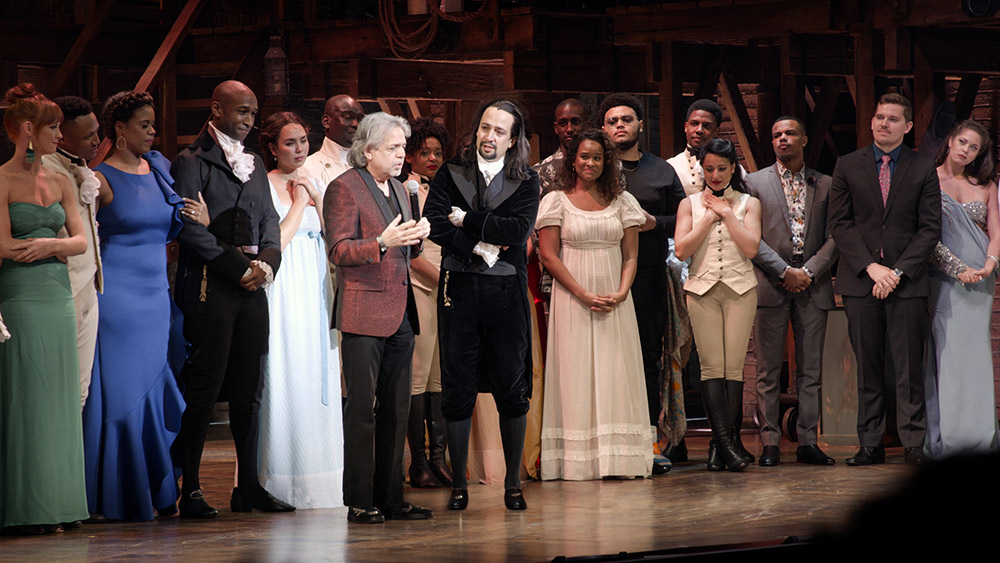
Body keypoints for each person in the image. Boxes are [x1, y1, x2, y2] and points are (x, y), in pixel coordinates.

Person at [170, 80, 293, 517]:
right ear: (216, 107)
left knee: (249, 389)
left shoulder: (255, 163)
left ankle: (249, 489)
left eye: (253, 113)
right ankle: (192, 489)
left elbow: (271, 224)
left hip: (253, 286)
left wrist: (268, 266)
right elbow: (190, 230)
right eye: (242, 111)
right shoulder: (191, 160)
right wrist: (240, 267)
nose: (249, 120)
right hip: (212, 284)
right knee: (205, 388)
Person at [425, 99, 539, 511]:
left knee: (511, 387)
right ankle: (459, 485)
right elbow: (435, 223)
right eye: (485, 128)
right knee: (457, 388)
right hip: (459, 289)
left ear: (513, 140)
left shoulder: (526, 180)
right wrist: (478, 247)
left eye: (499, 131)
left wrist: (467, 219)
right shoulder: (451, 171)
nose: (489, 137)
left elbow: (518, 229)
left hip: (506, 294)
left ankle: (512, 485)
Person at [81, 91, 186, 521]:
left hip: (157, 297)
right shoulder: (99, 179)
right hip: (118, 300)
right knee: (123, 394)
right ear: (119, 130)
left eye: (153, 124)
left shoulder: (159, 167)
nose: (152, 132)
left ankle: (150, 490)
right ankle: (114, 494)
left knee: (155, 382)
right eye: (144, 125)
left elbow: (171, 223)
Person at [324, 112, 433, 524]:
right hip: (363, 311)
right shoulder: (344, 188)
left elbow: (405, 252)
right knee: (362, 411)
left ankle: (392, 497)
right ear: (368, 150)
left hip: (400, 313)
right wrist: (380, 243)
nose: (402, 155)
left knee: (396, 409)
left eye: (403, 147)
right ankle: (359, 499)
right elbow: (338, 251)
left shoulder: (403, 191)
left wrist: (415, 240)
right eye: (393, 148)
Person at [829, 93, 941, 467]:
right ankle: (871, 442)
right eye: (879, 117)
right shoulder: (847, 164)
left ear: (907, 127)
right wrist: (870, 267)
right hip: (861, 281)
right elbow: (840, 225)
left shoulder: (923, 167)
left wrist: (896, 271)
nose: (883, 124)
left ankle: (912, 442)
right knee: (868, 365)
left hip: (906, 282)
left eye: (893, 119)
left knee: (909, 367)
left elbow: (928, 230)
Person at [537, 128, 652, 480]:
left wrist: (621, 291)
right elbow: (548, 255)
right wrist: (583, 294)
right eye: (584, 156)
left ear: (607, 162)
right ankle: (577, 460)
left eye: (598, 158)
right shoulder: (556, 199)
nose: (590, 163)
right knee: (576, 373)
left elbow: (631, 255)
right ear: (573, 160)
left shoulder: (622, 202)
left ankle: (619, 458)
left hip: (615, 300)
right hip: (573, 299)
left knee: (616, 370)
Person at [0, 83, 89, 534]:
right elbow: (2, 244)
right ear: (28, 129)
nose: (60, 134)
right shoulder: (1, 179)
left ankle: (60, 502)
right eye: (53, 127)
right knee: (25, 398)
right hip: (20, 297)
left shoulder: (60, 180)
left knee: (58, 398)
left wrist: (52, 245)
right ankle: (24, 506)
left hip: (57, 299)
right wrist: (48, 249)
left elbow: (80, 240)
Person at [254, 111, 344, 508]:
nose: (299, 149)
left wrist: (317, 196)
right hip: (285, 283)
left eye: (304, 141)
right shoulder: (265, 184)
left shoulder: (314, 180)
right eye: (290, 143)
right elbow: (276, 241)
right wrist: (298, 202)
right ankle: (283, 480)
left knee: (318, 369)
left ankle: (324, 479)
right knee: (286, 369)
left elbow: (334, 238)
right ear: (272, 148)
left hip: (316, 282)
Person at [745, 116, 838, 467]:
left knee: (810, 370)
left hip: (812, 285)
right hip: (771, 282)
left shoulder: (826, 184)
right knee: (768, 369)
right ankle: (769, 442)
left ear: (803, 139)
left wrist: (809, 271)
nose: (783, 139)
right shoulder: (754, 183)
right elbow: (751, 238)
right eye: (776, 135)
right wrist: (785, 271)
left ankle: (807, 441)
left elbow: (836, 236)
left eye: (789, 134)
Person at [599, 93, 685, 469]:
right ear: (604, 128)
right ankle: (605, 437)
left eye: (627, 119)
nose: (620, 125)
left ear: (639, 126)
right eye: (613, 120)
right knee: (605, 358)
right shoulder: (594, 168)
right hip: (600, 275)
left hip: (647, 277)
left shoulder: (661, 170)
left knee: (648, 357)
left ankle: (648, 437)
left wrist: (654, 223)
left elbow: (682, 218)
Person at [674, 138, 761, 473]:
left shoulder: (749, 203)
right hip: (702, 289)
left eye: (721, 169)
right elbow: (682, 250)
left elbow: (751, 248)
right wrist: (709, 218)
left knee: (733, 368)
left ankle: (723, 446)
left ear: (732, 168)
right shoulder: (689, 205)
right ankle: (725, 444)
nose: (714, 175)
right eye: (708, 169)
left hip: (740, 288)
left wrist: (726, 212)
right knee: (711, 368)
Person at [925, 119, 1000, 457]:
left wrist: (989, 264)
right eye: (963, 142)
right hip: (943, 280)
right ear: (951, 140)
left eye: (974, 148)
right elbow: (924, 236)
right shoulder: (926, 179)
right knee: (947, 356)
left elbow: (996, 233)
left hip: (981, 283)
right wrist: (958, 270)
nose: (966, 151)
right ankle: (951, 437)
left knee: (976, 357)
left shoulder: (986, 186)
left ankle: (981, 437)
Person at [42, 95, 103, 408]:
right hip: (61, 285)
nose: (96, 140)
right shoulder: (44, 171)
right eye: (87, 136)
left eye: (96, 132)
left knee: (80, 389)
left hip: (88, 283)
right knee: (57, 386)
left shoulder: (80, 166)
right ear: (60, 134)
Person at [402, 117, 454, 489]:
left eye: (437, 152)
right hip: (422, 286)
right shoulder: (407, 191)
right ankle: (417, 462)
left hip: (447, 288)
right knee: (417, 378)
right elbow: (412, 253)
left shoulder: (444, 188)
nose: (432, 158)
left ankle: (439, 460)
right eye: (425, 152)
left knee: (440, 377)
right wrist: (449, 281)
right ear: (409, 156)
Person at [302, 94, 365, 187]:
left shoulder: (370, 164)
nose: (355, 124)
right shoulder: (309, 168)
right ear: (326, 122)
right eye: (348, 118)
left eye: (360, 119)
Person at [666, 99, 726, 197]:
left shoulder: (731, 166)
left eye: (706, 126)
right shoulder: (670, 166)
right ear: (686, 127)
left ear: (716, 131)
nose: (699, 130)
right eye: (694, 123)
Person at [536, 98, 588, 195]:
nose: (569, 129)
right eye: (563, 123)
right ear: (556, 128)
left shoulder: (607, 168)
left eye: (575, 122)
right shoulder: (540, 173)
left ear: (587, 125)